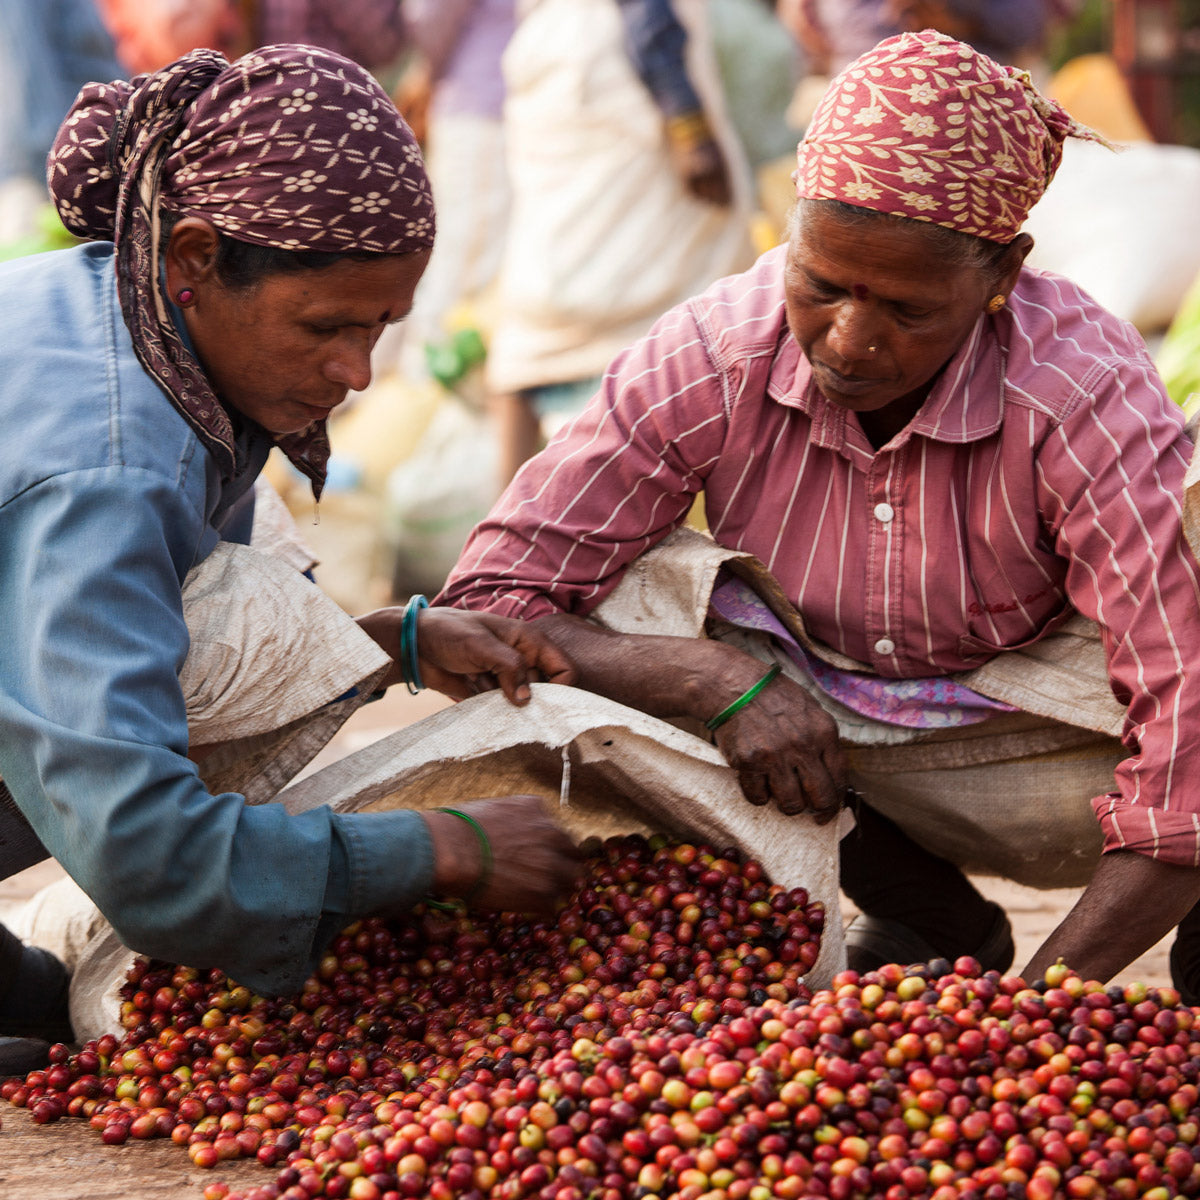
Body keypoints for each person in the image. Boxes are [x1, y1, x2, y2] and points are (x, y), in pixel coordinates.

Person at [440, 29, 1200, 993]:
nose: (847, 341)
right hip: (814, 720)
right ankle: (926, 912)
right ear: (788, 236)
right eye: (821, 283)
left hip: (1041, 739)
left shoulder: (1079, 390)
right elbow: (488, 605)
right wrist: (708, 680)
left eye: (908, 311)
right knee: (619, 613)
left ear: (1002, 276)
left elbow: (1187, 721)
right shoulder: (717, 351)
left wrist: (1026, 1019)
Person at [0, 44, 581, 1072]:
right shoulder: (109, 466)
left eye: (381, 330)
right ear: (193, 258)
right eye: (325, 327)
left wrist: (385, 646)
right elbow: (145, 853)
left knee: (47, 1019)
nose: (355, 373)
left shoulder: (125, 315)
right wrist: (444, 848)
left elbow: (114, 640)